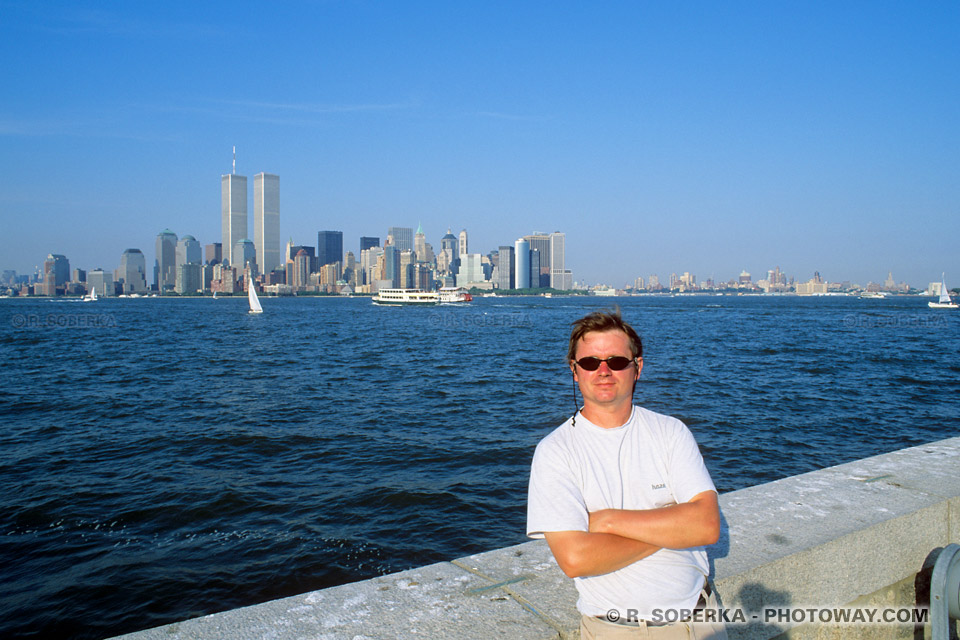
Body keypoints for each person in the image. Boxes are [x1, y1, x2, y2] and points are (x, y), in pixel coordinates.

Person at [527, 310, 726, 639]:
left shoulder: (671, 432)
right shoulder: (555, 451)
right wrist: (672, 526)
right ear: (575, 372)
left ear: (638, 368)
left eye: (617, 361)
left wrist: (605, 521)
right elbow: (576, 558)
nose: (603, 371)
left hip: (699, 622)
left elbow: (706, 525)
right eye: (590, 363)